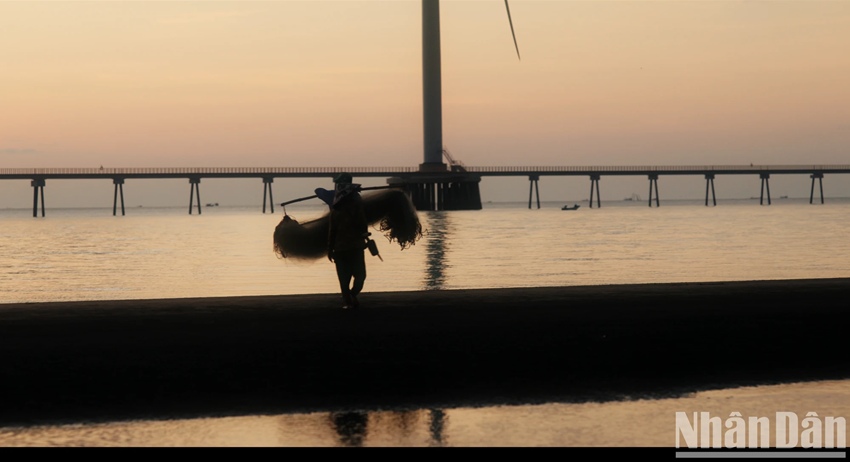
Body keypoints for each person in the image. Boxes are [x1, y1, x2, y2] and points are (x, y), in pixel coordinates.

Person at [327, 172, 369, 309]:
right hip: (347, 248)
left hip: (349, 247)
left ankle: (350, 296)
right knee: (352, 276)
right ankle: (350, 299)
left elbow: (362, 224)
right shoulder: (344, 208)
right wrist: (330, 249)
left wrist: (330, 250)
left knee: (352, 277)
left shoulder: (347, 206)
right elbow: (332, 231)